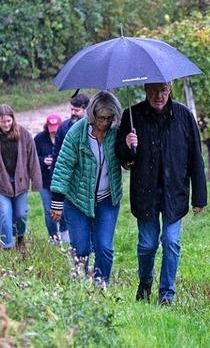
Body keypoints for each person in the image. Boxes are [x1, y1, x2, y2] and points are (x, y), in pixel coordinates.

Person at [115, 82, 207, 305]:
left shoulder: (183, 115)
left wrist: (199, 197)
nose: (159, 96)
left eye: (163, 90)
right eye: (154, 91)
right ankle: (145, 282)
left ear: (170, 88)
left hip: (174, 192)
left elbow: (196, 156)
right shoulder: (132, 115)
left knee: (171, 241)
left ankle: (167, 293)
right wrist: (128, 145)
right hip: (145, 193)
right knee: (147, 244)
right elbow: (122, 156)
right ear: (146, 90)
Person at [50, 91, 123, 287]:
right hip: (78, 200)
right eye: (101, 118)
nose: (104, 123)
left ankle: (101, 287)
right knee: (81, 248)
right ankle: (80, 287)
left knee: (104, 247)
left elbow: (127, 161)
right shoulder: (77, 133)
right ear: (92, 115)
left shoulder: (117, 131)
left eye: (109, 118)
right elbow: (63, 166)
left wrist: (132, 148)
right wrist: (57, 203)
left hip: (107, 199)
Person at [0, 104, 42, 251]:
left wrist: (37, 183)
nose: (6, 124)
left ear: (13, 119)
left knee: (21, 214)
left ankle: (20, 239)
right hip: (2, 183)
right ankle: (6, 246)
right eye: (3, 121)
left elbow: (33, 159)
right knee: (5, 215)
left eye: (9, 121)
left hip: (21, 182)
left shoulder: (24, 135)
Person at [33, 113, 69, 244]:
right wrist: (43, 160)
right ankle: (53, 237)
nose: (53, 131)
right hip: (44, 181)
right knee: (49, 210)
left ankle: (65, 234)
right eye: (51, 128)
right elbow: (32, 158)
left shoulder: (65, 136)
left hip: (61, 180)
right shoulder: (39, 139)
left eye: (56, 128)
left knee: (63, 208)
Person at [53, 93, 90, 166]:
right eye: (72, 109)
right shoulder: (63, 127)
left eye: (77, 110)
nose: (73, 113)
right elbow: (56, 153)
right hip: (66, 167)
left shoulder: (92, 127)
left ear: (85, 110)